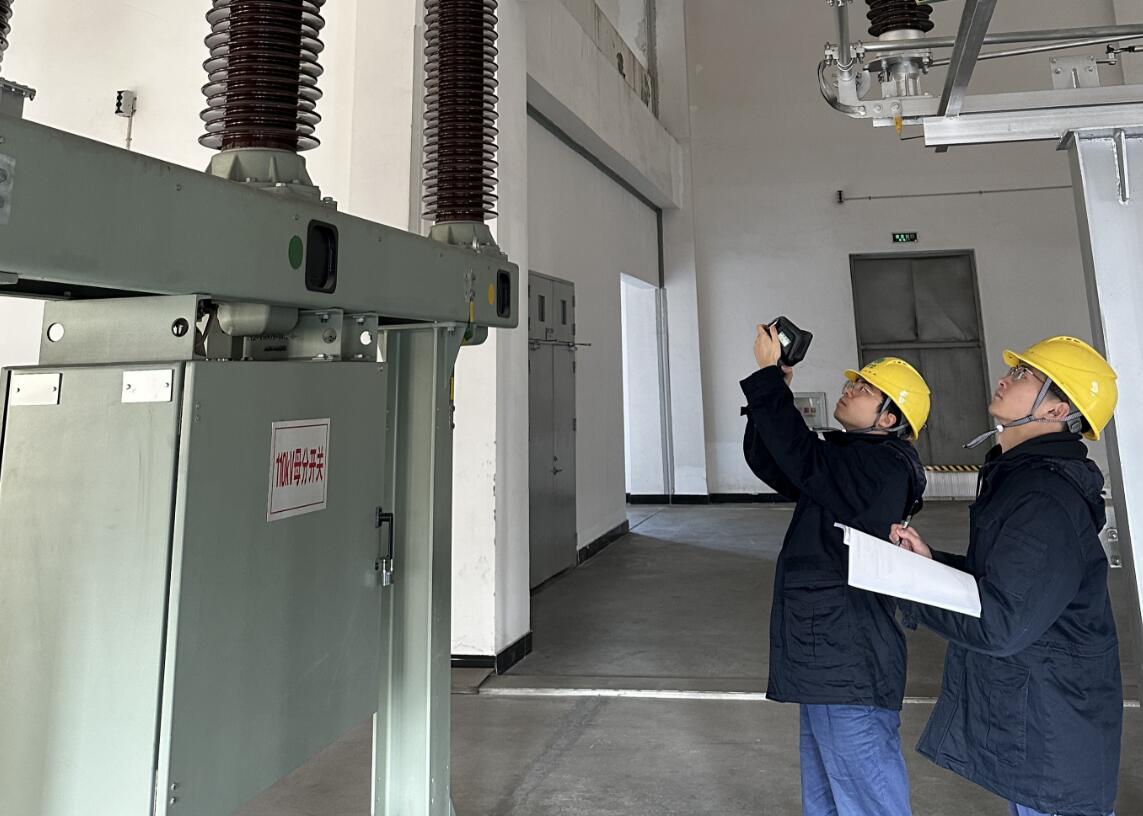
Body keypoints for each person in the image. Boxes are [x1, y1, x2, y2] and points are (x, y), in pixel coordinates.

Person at [891, 336, 1122, 816]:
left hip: (1054, 736)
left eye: (1023, 375)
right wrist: (930, 563)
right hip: (1045, 723)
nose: (1004, 378)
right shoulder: (1024, 479)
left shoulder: (1043, 498)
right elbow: (1002, 584)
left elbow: (1000, 622)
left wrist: (909, 587)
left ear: (1057, 410)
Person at [742, 324, 930, 816]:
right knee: (827, 793)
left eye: (865, 388)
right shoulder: (852, 458)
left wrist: (768, 377)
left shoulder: (883, 468)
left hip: (848, 658)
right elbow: (775, 460)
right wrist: (777, 383)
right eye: (855, 381)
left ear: (889, 417)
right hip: (826, 652)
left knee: (866, 796)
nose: (850, 388)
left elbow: (801, 458)